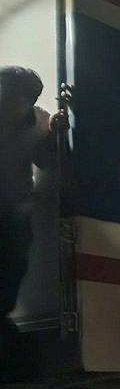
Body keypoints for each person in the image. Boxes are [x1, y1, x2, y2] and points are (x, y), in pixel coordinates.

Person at [0, 66, 63, 350]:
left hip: (15, 211)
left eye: (13, 95)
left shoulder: (39, 122)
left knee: (13, 265)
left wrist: (55, 134)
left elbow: (45, 161)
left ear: (29, 100)